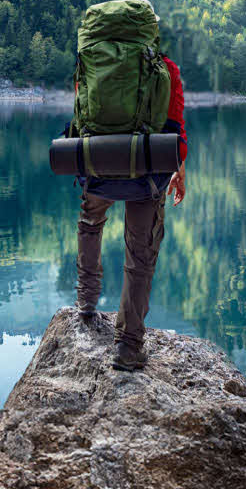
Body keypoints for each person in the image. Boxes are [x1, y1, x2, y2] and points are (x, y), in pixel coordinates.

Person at [75, 50, 187, 372]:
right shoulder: (165, 68)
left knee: (90, 221)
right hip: (146, 173)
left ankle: (86, 301)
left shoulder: (97, 64)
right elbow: (176, 127)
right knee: (140, 253)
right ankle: (128, 346)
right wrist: (180, 170)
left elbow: (81, 113)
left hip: (98, 164)